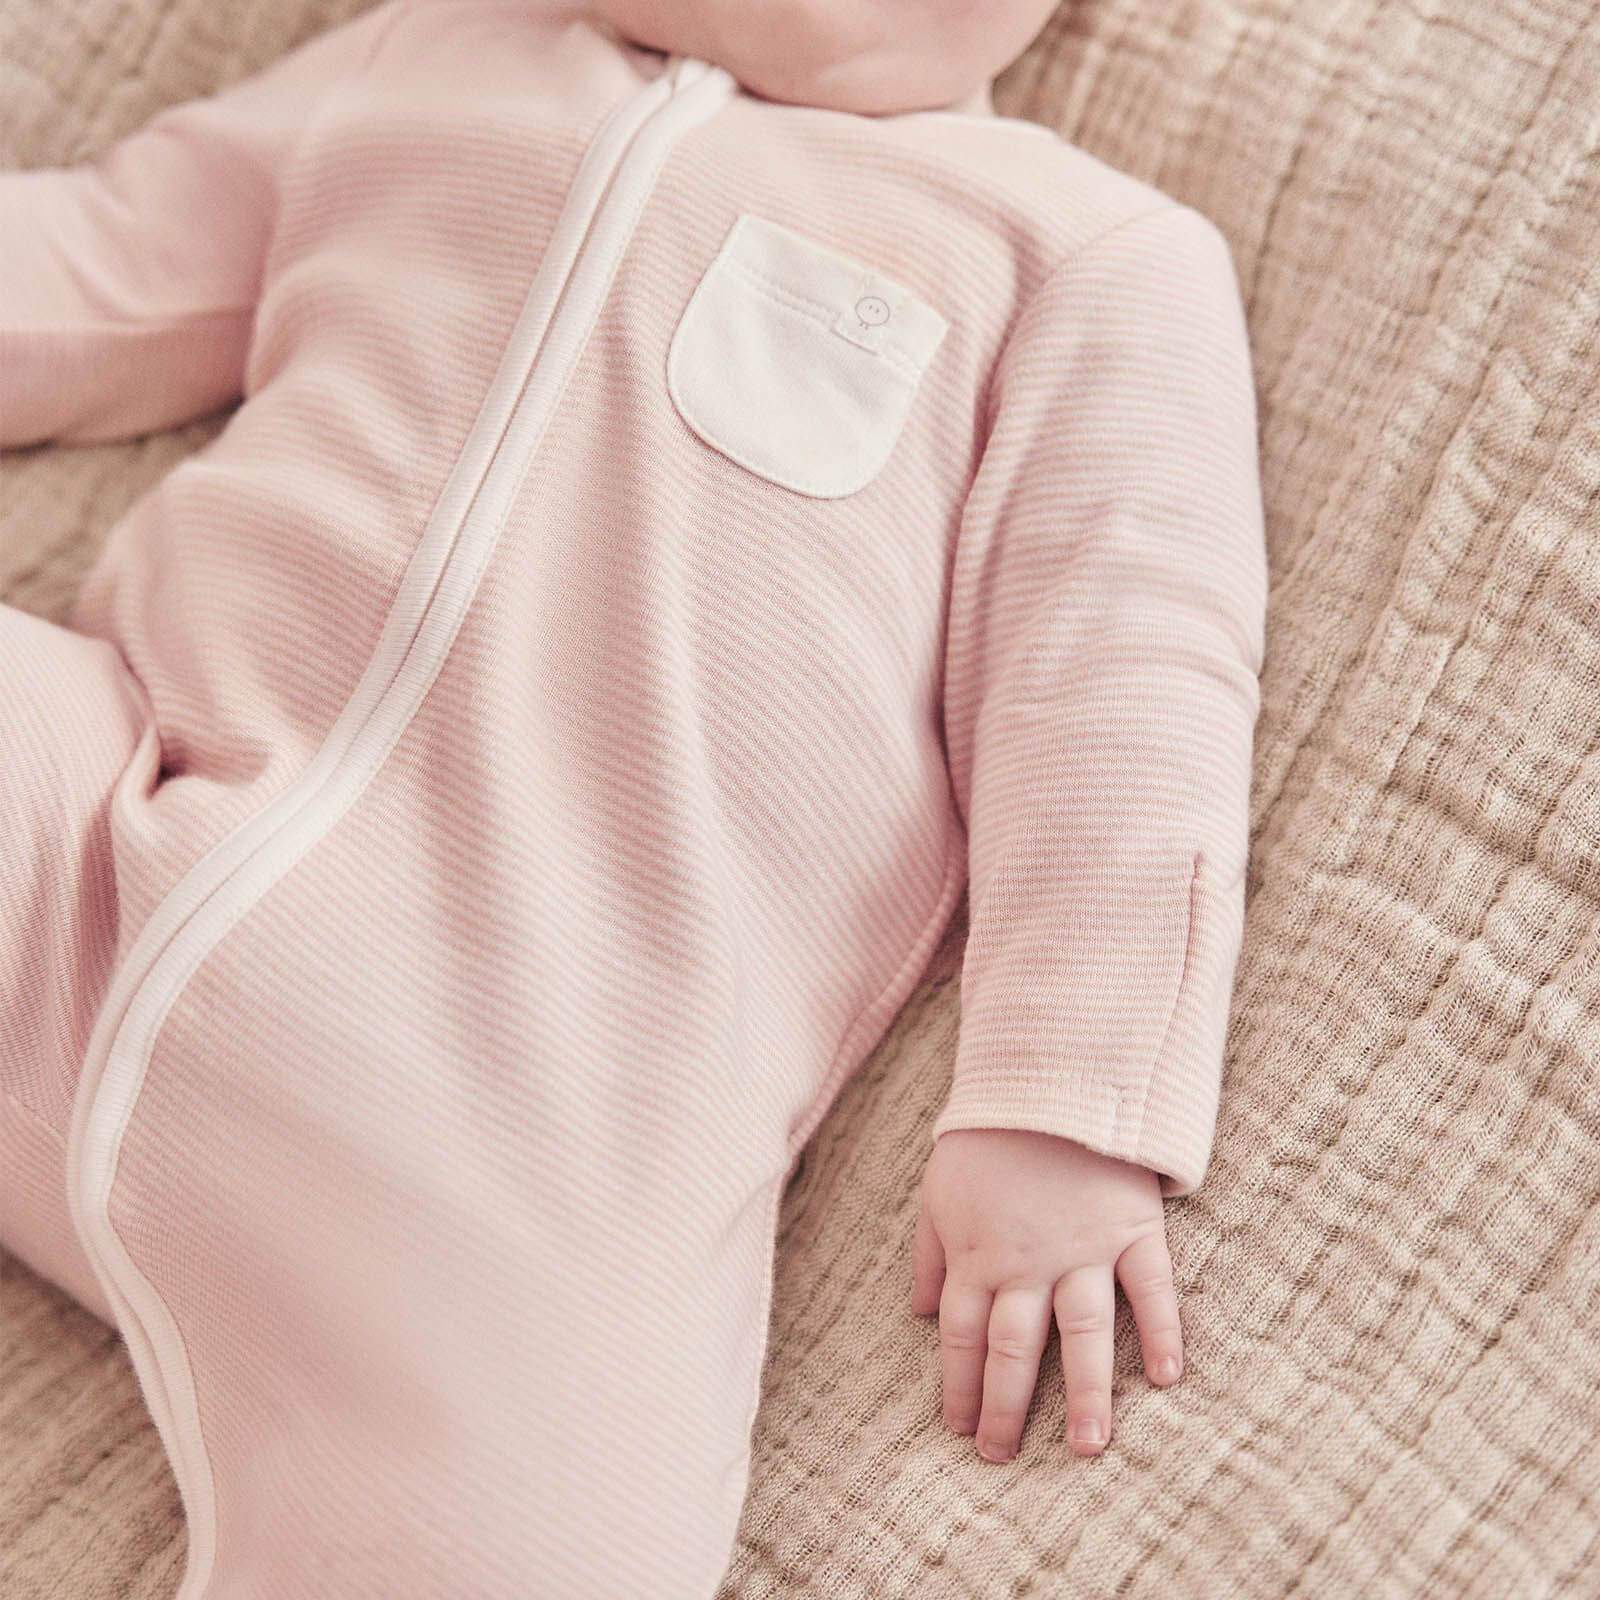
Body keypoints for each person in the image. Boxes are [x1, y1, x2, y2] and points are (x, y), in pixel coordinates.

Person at [0, 0, 1267, 1593]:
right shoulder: (437, 59)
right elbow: (106, 266)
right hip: (97, 838)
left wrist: (1068, 1101)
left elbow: (1128, 669)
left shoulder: (1078, 253)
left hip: (528, 1140)